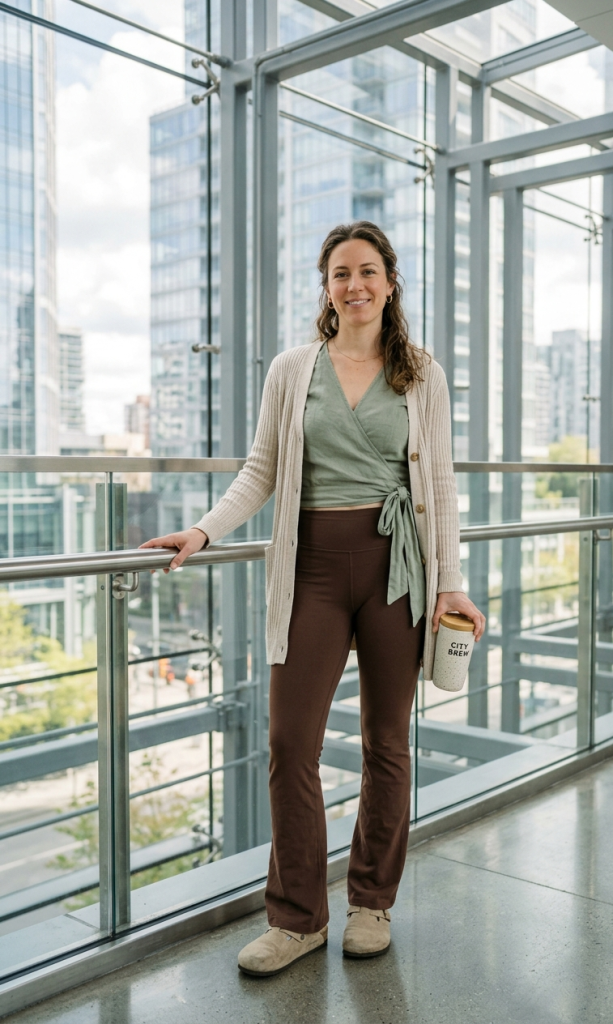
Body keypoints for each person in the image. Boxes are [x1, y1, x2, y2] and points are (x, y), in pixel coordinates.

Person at [140, 221, 485, 977]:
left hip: (398, 569)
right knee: (291, 742)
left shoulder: (420, 373)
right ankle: (296, 918)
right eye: (339, 274)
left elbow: (439, 488)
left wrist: (450, 580)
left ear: (389, 282)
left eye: (366, 271)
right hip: (312, 571)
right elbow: (261, 469)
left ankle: (370, 904)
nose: (353, 285)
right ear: (325, 287)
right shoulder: (292, 369)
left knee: (385, 746)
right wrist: (200, 530)